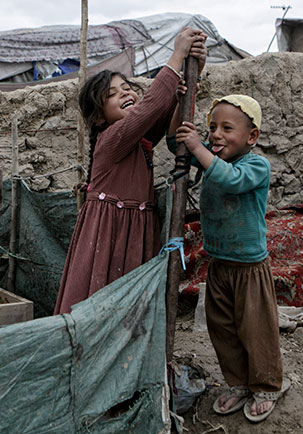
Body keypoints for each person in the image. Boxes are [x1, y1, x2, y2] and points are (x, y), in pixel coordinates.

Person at [53, 28, 207, 315]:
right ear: (99, 117)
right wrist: (176, 55)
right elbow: (150, 108)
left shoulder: (140, 140)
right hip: (107, 235)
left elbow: (162, 112)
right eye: (112, 94)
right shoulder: (111, 139)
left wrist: (194, 70)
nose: (125, 92)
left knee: (128, 309)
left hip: (134, 232)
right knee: (101, 304)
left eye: (127, 88)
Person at [167, 94, 289, 422]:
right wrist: (181, 106)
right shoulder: (207, 155)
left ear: (252, 137)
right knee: (222, 327)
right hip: (219, 262)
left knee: (255, 328)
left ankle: (266, 385)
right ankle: (237, 382)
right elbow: (171, 143)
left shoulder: (255, 165)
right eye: (212, 128)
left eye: (227, 128)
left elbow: (230, 180)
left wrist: (198, 147)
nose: (216, 135)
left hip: (249, 266)